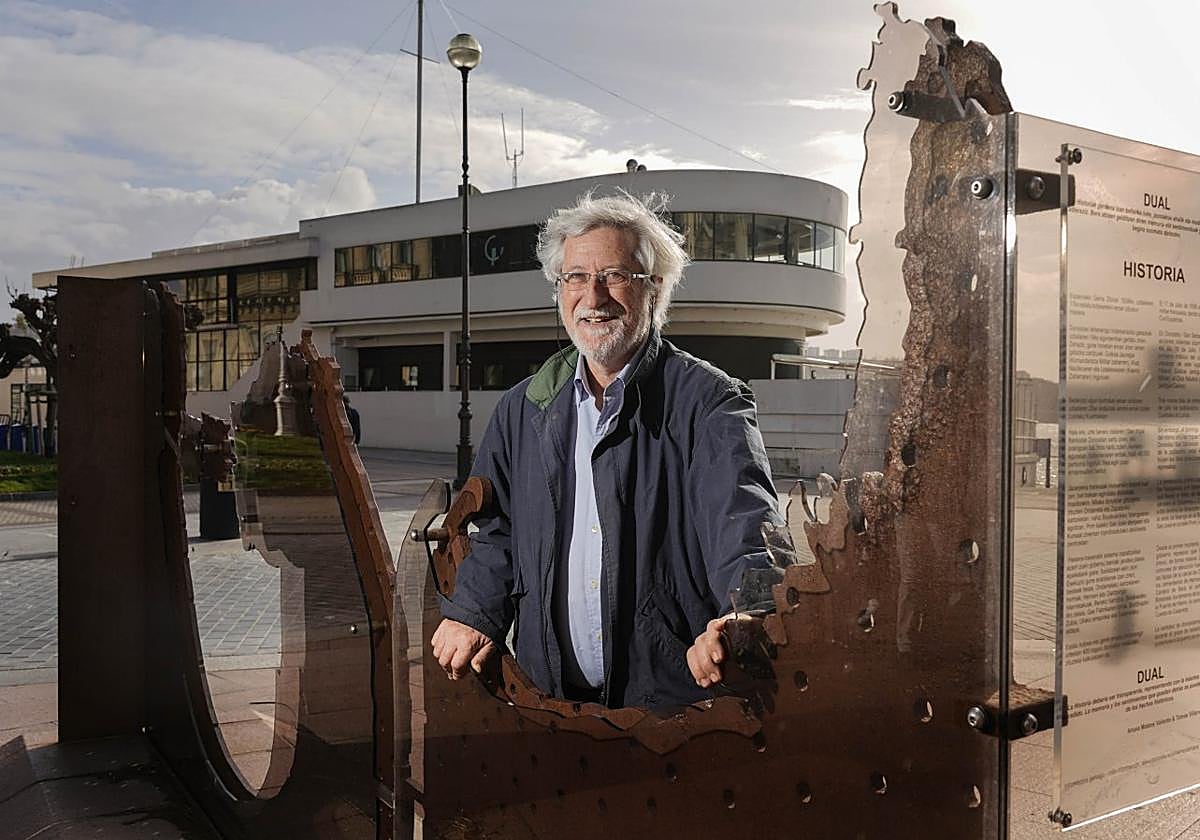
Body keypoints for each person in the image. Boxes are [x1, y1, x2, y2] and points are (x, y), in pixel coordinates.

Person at [432, 191, 784, 708]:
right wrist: (474, 611)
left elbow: (748, 526)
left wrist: (745, 615)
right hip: (547, 698)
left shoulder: (709, 402)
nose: (592, 296)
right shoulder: (523, 408)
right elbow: (498, 531)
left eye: (614, 275)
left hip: (669, 704)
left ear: (654, 289)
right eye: (575, 277)